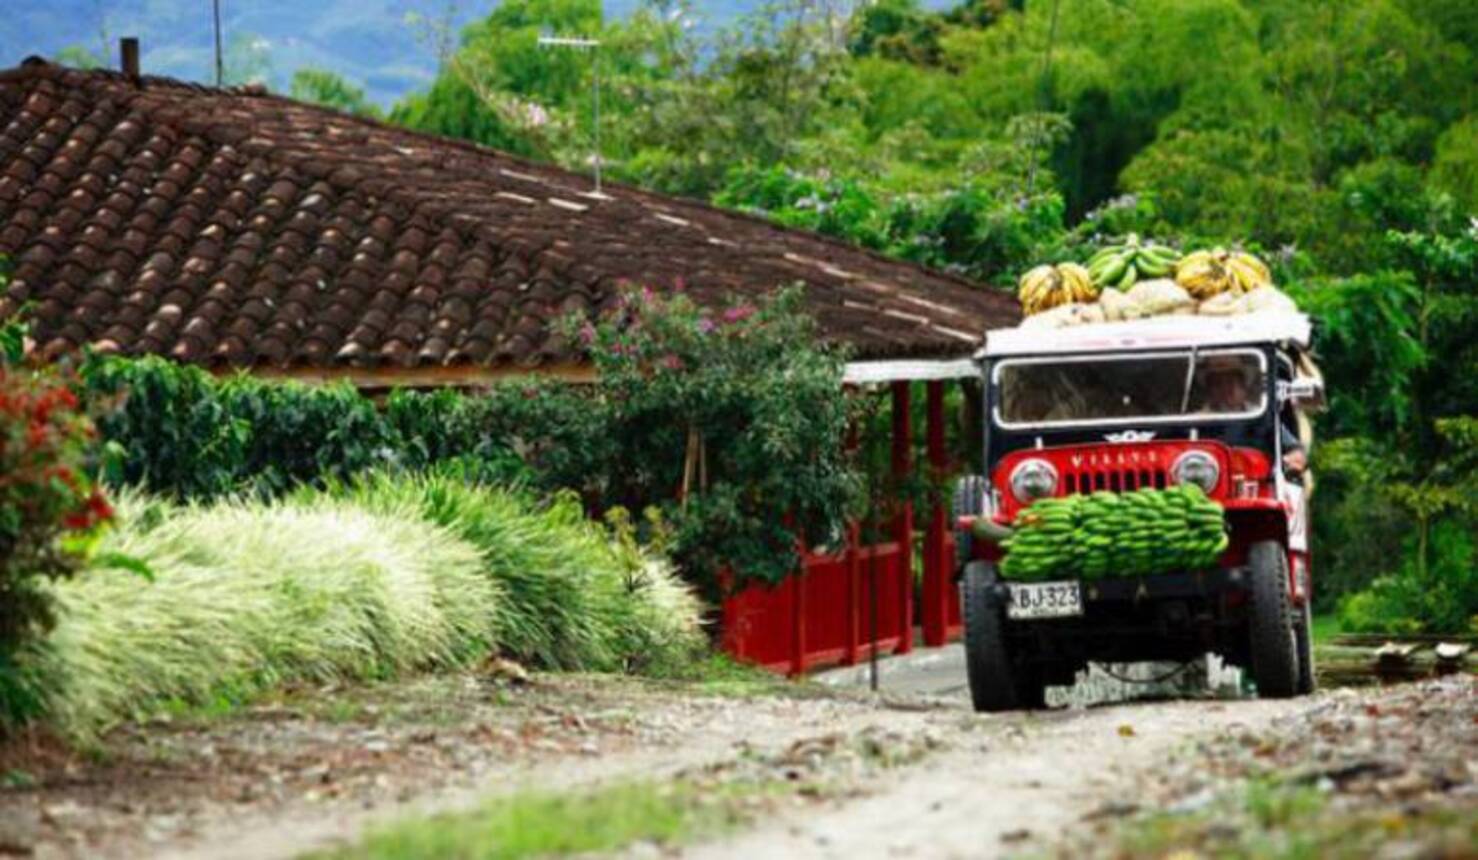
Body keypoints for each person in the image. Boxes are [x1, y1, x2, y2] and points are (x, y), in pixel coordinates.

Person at [1199, 357, 1306, 475]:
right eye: (1218, 383)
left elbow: (1294, 449)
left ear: (1243, 387)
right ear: (1210, 390)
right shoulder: (1197, 421)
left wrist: (1293, 459)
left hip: (1259, 480)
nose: (1227, 389)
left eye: (1232, 381)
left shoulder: (1263, 415)